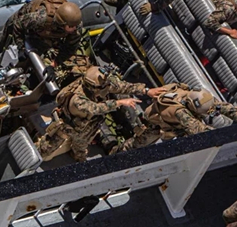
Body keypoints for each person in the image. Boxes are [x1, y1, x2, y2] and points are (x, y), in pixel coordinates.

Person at [36, 66, 165, 162]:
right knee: (46, 148)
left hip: (86, 126)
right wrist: (119, 102)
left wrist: (146, 90)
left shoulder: (97, 85)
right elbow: (96, 108)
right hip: (68, 125)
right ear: (93, 87)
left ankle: (78, 155)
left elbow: (121, 86)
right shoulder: (78, 100)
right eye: (104, 86)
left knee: (81, 145)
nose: (107, 87)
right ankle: (33, 160)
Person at [111, 83, 237, 153]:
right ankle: (114, 155)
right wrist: (228, 137)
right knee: (136, 145)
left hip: (170, 122)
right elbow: (199, 130)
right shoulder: (180, 112)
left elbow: (220, 106)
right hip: (156, 125)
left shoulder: (192, 95)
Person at [0, 0, 83, 74]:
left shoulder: (75, 25)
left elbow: (70, 48)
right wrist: (21, 47)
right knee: (3, 38)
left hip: (44, 33)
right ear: (61, 23)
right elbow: (18, 24)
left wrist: (53, 65)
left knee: (35, 54)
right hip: (23, 20)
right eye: (71, 27)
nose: (74, 28)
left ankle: (19, 72)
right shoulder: (41, 18)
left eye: (75, 26)